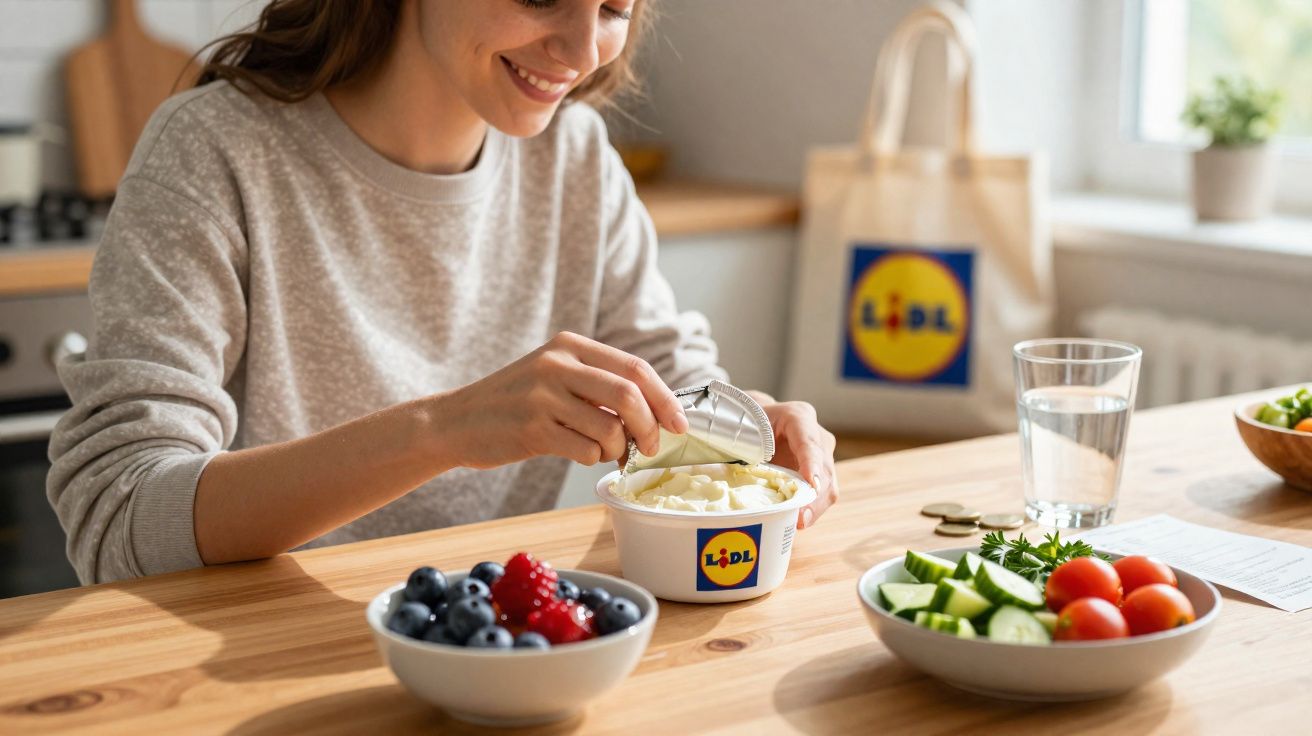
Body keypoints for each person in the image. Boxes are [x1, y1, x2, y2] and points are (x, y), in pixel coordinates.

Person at [48, 0, 838, 585]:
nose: (580, 51)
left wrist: (743, 423)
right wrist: (445, 429)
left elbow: (664, 375)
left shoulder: (576, 158)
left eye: (612, 9)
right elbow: (121, 518)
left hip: (487, 651)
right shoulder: (211, 154)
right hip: (255, 657)